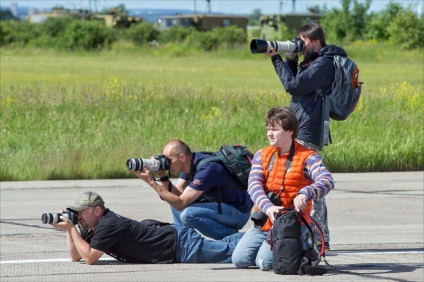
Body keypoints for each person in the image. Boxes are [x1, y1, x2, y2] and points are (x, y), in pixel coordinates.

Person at [264, 21, 343, 250]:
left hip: (309, 128)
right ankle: (316, 237)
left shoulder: (324, 64)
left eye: (303, 40)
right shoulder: (311, 61)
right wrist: (289, 59)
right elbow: (295, 84)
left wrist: (276, 58)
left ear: (316, 41)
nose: (300, 44)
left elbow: (293, 86)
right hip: (301, 124)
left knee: (311, 184)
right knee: (303, 183)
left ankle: (319, 238)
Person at [232, 107, 334, 271]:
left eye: (275, 130)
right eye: (268, 129)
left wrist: (305, 193)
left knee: (264, 263)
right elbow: (254, 186)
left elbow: (327, 180)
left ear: (290, 132)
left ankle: (308, 248)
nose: (269, 134)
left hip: (291, 224)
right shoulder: (262, 155)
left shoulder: (308, 157)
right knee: (239, 260)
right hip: (265, 222)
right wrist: (268, 207)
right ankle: (280, 247)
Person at [52, 191, 243, 265]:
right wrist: (70, 230)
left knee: (230, 253)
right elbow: (76, 256)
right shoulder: (93, 226)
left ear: (98, 210)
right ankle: (259, 234)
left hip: (181, 247)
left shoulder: (108, 224)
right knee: (226, 245)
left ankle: (266, 240)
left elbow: (89, 258)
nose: (79, 216)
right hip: (175, 241)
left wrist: (72, 229)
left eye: (82, 212)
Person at [131, 139, 253, 240]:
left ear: (182, 157)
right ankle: (184, 241)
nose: (167, 164)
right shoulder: (190, 163)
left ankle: (237, 239)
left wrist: (152, 183)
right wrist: (162, 175)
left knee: (188, 215)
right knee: (173, 202)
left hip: (238, 213)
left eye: (169, 161)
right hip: (221, 208)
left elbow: (180, 203)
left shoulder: (207, 169)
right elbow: (176, 194)